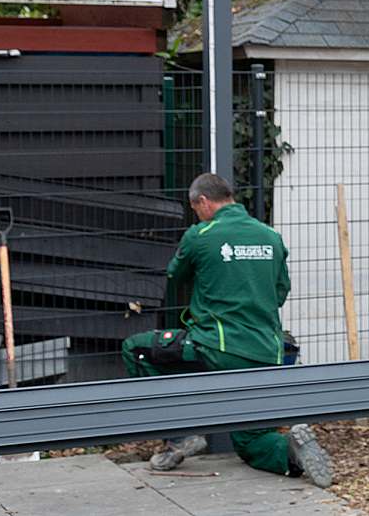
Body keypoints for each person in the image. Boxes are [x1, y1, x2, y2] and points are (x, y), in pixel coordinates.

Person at [121, 173, 332, 487]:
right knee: (251, 440)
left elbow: (174, 276)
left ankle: (179, 436)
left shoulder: (201, 234)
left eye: (196, 209)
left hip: (216, 348)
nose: (197, 214)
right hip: (266, 352)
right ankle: (291, 453)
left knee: (136, 349)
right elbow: (280, 292)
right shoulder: (270, 236)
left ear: (204, 202)